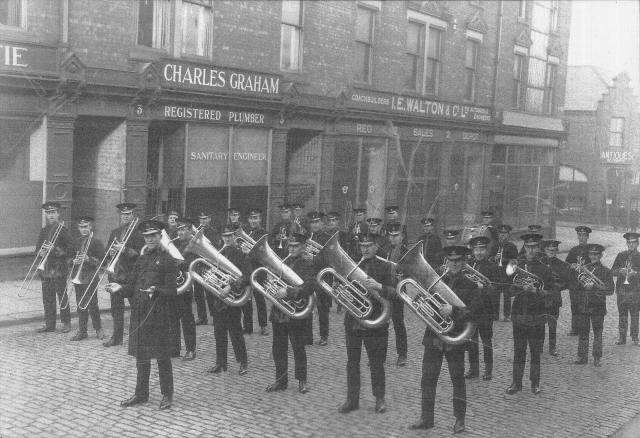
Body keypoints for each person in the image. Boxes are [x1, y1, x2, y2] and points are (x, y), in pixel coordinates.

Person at [409, 245, 482, 434]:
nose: (454, 264)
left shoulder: (471, 285)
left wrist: (453, 310)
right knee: (427, 379)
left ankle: (460, 420)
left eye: (458, 260)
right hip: (434, 337)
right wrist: (418, 299)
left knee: (457, 379)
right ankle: (426, 418)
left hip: (454, 338)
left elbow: (475, 312)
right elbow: (424, 302)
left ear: (464, 262)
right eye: (451, 260)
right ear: (446, 262)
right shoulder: (436, 281)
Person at [106, 219, 177, 410]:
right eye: (147, 236)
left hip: (159, 315)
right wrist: (119, 288)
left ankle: (167, 395)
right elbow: (131, 287)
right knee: (141, 356)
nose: (150, 239)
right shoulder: (141, 259)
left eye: (153, 235)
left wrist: (157, 291)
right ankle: (141, 394)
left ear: (160, 236)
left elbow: (172, 290)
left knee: (162, 356)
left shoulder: (169, 260)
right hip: (140, 313)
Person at [338, 233, 394, 415]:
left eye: (369, 245)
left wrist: (379, 287)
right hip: (354, 320)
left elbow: (396, 293)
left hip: (376, 321)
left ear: (376, 246)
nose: (366, 249)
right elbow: (341, 287)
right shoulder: (352, 265)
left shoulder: (385, 266)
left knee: (376, 362)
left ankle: (379, 399)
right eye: (362, 246)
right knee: (352, 362)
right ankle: (352, 399)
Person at [265, 232, 316, 394]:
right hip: (279, 311)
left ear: (304, 247)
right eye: (291, 246)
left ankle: (302, 380)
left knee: (298, 347)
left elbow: (310, 286)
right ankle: (280, 380)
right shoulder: (282, 262)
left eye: (296, 246)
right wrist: (271, 284)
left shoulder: (308, 264)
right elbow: (272, 281)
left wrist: (288, 291)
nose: (292, 249)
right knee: (278, 348)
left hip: (297, 311)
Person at [505, 233, 553, 396]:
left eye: (534, 247)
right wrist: (520, 288)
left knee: (535, 352)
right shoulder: (516, 265)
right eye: (528, 247)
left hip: (537, 317)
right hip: (519, 315)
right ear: (524, 247)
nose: (531, 250)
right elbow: (509, 290)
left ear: (538, 248)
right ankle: (516, 383)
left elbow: (551, 293)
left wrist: (537, 290)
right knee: (519, 351)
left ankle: (535, 383)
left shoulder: (544, 269)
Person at [208, 226, 251, 376]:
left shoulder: (241, 255)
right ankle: (221, 363)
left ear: (234, 236)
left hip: (233, 298)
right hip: (219, 298)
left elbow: (246, 277)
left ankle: (243, 362)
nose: (227, 238)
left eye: (230, 236)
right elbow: (211, 272)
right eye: (224, 236)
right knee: (218, 331)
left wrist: (230, 286)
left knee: (235, 332)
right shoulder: (218, 254)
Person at [103, 203, 144, 347]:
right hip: (115, 275)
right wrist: (111, 252)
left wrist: (125, 249)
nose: (125, 216)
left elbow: (141, 253)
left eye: (128, 214)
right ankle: (117, 337)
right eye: (123, 214)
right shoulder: (115, 232)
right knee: (116, 309)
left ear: (133, 215)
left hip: (131, 276)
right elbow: (107, 251)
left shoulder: (139, 232)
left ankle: (137, 337)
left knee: (136, 307)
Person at [572, 244, 614, 366]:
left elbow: (610, 290)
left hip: (598, 306)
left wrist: (594, 286)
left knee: (598, 332)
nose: (593, 257)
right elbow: (575, 286)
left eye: (596, 254)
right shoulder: (583, 268)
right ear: (589, 255)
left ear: (600, 255)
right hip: (584, 305)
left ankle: (597, 358)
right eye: (591, 254)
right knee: (583, 332)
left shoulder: (606, 271)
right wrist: (582, 284)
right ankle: (582, 357)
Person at [35, 202, 73, 333]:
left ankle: (66, 323)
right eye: (48, 213)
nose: (50, 215)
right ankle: (50, 324)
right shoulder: (44, 230)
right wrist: (40, 252)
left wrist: (55, 249)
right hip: (46, 269)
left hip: (58, 269)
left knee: (62, 296)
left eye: (53, 212)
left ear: (58, 213)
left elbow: (70, 250)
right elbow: (37, 248)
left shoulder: (64, 230)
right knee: (48, 298)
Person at [465, 236, 499, 380]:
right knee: (471, 340)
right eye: (476, 249)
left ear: (486, 250)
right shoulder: (468, 265)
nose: (478, 252)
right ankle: (474, 369)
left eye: (482, 249)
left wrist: (481, 288)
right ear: (472, 250)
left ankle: (488, 369)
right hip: (471, 309)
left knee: (486, 341)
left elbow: (495, 290)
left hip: (485, 310)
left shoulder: (492, 267)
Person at [69, 216, 105, 341]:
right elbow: (68, 258)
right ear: (78, 228)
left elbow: (102, 261)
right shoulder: (75, 241)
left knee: (93, 304)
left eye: (86, 227)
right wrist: (73, 260)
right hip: (78, 277)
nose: (83, 229)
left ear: (90, 227)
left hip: (90, 277)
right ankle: (82, 331)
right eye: (81, 227)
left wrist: (89, 259)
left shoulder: (96, 242)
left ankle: (98, 329)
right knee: (80, 305)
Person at [239, 208, 269, 336]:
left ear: (260, 219)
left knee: (259, 298)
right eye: (251, 218)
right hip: (246, 269)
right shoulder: (245, 232)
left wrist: (249, 252)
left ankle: (263, 326)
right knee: (246, 298)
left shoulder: (264, 234)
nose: (253, 221)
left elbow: (264, 254)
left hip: (258, 269)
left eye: (255, 218)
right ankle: (248, 326)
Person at [539, 240, 571, 356]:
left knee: (552, 324)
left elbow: (567, 283)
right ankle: (539, 346)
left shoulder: (562, 265)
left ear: (557, 251)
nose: (551, 252)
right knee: (540, 323)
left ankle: (552, 348)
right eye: (549, 250)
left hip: (554, 297)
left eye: (553, 250)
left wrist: (558, 286)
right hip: (541, 297)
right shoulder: (539, 262)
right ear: (545, 250)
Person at [384, 223, 408, 367]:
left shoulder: (406, 252)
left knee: (398, 324)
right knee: (382, 324)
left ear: (402, 236)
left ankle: (402, 354)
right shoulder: (384, 250)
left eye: (396, 236)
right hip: (384, 290)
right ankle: (380, 354)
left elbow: (410, 272)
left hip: (398, 292)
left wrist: (402, 277)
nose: (393, 239)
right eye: (391, 236)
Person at [173, 217, 197, 361]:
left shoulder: (195, 244)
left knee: (187, 319)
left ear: (190, 230)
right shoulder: (175, 244)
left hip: (185, 286)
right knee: (173, 317)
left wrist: (177, 263)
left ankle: (190, 349)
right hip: (174, 285)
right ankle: (175, 348)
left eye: (183, 229)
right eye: (179, 229)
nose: (180, 232)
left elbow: (192, 264)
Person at [307, 211, 332, 346]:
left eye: (317, 222)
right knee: (308, 304)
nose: (315, 225)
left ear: (322, 223)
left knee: (323, 308)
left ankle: (324, 336)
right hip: (310, 276)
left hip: (323, 276)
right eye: (312, 222)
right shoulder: (308, 237)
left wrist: (312, 259)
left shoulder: (328, 238)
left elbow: (329, 259)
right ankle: (308, 336)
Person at [611, 232, 640, 345]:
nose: (631, 245)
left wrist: (636, 273)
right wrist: (620, 271)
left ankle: (635, 337)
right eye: (629, 242)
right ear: (626, 243)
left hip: (635, 290)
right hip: (622, 290)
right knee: (622, 313)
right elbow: (612, 271)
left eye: (633, 242)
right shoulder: (621, 255)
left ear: (637, 243)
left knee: (635, 314)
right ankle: (622, 337)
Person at [565, 226, 592, 336]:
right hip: (574, 283)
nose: (581, 237)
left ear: (587, 237)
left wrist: (584, 268)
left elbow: (594, 265)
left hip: (585, 283)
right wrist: (572, 265)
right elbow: (566, 264)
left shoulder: (591, 250)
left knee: (584, 306)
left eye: (584, 235)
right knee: (574, 305)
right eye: (579, 235)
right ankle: (574, 328)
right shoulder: (573, 250)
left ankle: (583, 329)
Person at [193, 212, 217, 325]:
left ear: (209, 219)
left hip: (208, 264)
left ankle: (214, 315)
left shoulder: (213, 232)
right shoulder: (195, 231)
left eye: (205, 218)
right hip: (197, 264)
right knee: (198, 292)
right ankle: (202, 317)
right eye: (201, 219)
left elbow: (214, 247)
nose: (202, 221)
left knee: (210, 292)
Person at [493, 224, 519, 321]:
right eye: (501, 233)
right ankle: (495, 315)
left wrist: (504, 260)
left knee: (507, 295)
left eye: (505, 233)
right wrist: (494, 258)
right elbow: (489, 258)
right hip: (496, 273)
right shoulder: (495, 246)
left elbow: (515, 260)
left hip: (507, 273)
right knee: (495, 295)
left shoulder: (512, 246)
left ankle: (507, 315)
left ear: (508, 234)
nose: (502, 235)